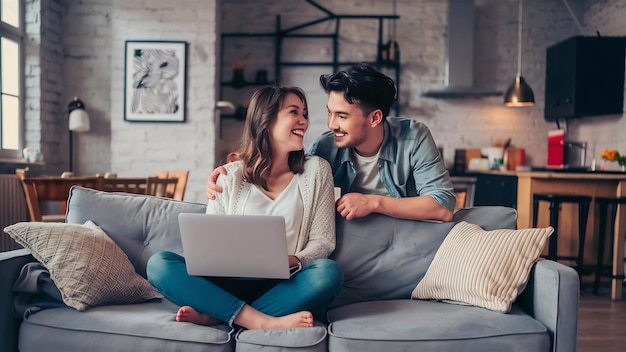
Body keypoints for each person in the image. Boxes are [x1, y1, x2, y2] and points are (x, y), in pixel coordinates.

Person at [147, 86, 343, 331]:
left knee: (328, 273)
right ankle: (261, 321)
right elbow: (209, 244)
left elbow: (323, 241)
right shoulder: (228, 176)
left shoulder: (317, 170)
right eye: (294, 112)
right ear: (266, 120)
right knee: (159, 263)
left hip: (285, 283)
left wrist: (292, 260)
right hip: (227, 282)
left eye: (305, 113)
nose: (304, 121)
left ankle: (220, 314)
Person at [207, 63, 455, 222]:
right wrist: (234, 171)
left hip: (404, 243)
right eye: (329, 112)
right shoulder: (325, 147)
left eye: (342, 116)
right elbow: (287, 171)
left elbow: (442, 205)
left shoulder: (413, 137)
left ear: (375, 117)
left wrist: (373, 202)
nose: (331, 124)